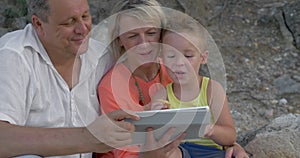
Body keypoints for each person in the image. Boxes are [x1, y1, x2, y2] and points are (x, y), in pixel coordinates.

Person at [97, 0, 249, 158]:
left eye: (151, 33)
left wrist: (230, 146)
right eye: (133, 35)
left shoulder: (174, 68)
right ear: (119, 39)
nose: (144, 43)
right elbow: (126, 153)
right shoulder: (112, 86)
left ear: (162, 35)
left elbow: (215, 126)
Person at [0, 0, 140, 157]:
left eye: (85, 16)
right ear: (38, 24)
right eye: (69, 22)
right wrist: (87, 137)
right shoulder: (13, 56)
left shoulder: (102, 57)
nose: (83, 29)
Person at [151, 13, 237, 157]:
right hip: (179, 150)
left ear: (203, 58)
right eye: (171, 56)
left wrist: (211, 130)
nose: (179, 62)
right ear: (163, 59)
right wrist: (157, 118)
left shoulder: (212, 90)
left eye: (188, 56)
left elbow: (230, 136)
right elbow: (155, 140)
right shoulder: (162, 95)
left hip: (210, 152)